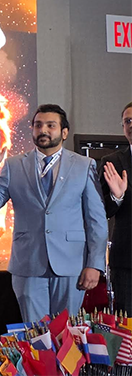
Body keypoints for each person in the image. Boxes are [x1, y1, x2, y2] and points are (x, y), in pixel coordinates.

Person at [0, 104, 108, 322]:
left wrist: (94, 264)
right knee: (35, 334)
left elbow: (96, 220)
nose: (43, 130)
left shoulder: (84, 165)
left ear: (64, 132)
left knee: (66, 332)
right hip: (28, 263)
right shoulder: (13, 165)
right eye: (38, 125)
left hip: (72, 264)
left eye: (51, 125)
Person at [100, 101, 132, 313]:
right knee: (127, 322)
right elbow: (101, 211)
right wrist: (117, 196)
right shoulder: (111, 162)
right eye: (128, 121)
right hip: (126, 260)